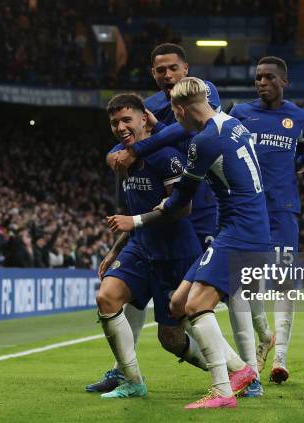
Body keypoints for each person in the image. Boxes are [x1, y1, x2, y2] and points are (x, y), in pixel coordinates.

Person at [109, 78, 269, 409]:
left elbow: (180, 200)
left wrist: (136, 220)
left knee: (197, 306)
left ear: (180, 109)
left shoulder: (205, 142)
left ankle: (223, 390)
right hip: (246, 226)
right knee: (179, 302)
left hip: (241, 230)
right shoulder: (232, 123)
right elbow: (179, 134)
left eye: (174, 115)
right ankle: (243, 373)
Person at [88, 43, 221, 393]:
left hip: (198, 210)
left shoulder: (202, 93)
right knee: (116, 297)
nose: (167, 75)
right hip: (149, 232)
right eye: (160, 70)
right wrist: (120, 153)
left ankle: (241, 370)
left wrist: (138, 149)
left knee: (192, 315)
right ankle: (126, 373)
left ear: (186, 69)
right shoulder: (150, 109)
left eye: (173, 68)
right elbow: (118, 155)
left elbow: (191, 133)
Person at [229, 56, 304, 385]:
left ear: (284, 81)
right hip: (248, 209)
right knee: (247, 282)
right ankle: (264, 336)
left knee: (285, 282)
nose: (261, 82)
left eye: (268, 77)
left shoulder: (299, 117)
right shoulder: (240, 113)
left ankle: (279, 354)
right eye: (257, 78)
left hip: (283, 210)